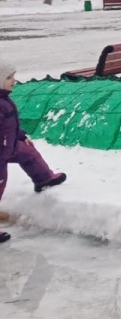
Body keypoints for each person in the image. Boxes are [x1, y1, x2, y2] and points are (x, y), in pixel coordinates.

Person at [0, 56, 68, 244]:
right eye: (8, 77)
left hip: (10, 146)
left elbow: (8, 126)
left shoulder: (4, 100)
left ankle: (44, 179)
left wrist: (20, 135)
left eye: (13, 76)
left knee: (29, 153)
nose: (14, 80)